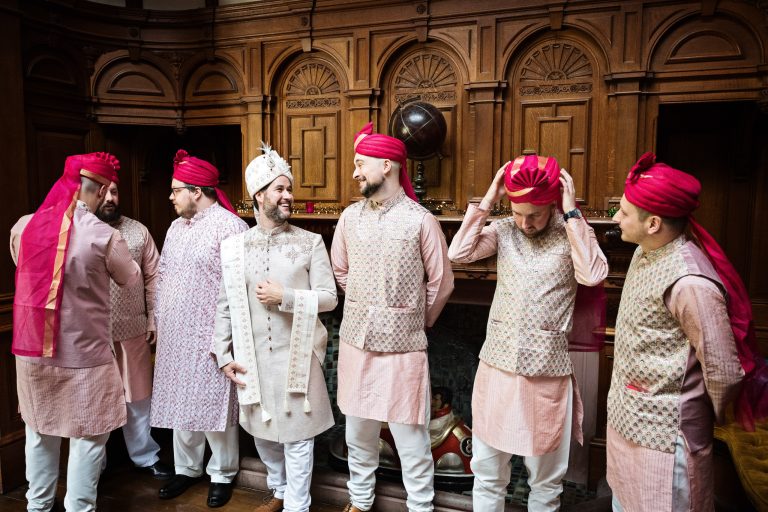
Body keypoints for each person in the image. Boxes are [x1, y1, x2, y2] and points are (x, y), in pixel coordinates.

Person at [448, 154, 608, 512]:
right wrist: (489, 199)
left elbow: (594, 275)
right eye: (518, 212)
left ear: (553, 203)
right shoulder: (504, 230)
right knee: (489, 474)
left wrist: (572, 214)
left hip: (546, 376)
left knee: (545, 482)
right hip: (497, 370)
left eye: (534, 214)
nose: (525, 222)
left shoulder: (572, 233)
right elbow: (458, 253)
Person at [607, 153, 756, 511]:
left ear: (654, 223)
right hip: (628, 425)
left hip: (667, 439)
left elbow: (723, 370)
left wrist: (703, 419)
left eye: (624, 212)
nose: (616, 218)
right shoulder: (646, 252)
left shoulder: (690, 282)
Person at [330, 122, 454, 512]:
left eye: (360, 163)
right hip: (356, 344)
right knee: (358, 434)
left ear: (387, 165)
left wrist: (415, 319)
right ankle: (360, 501)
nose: (355, 172)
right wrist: (369, 307)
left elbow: (442, 282)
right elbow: (341, 271)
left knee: (411, 438)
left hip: (404, 350)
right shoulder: (350, 218)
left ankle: (420, 507)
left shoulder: (420, 220)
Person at [10, 152, 140, 511]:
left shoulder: (24, 226)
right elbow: (130, 278)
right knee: (88, 439)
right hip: (85, 358)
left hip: (33, 355)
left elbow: (18, 261)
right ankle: (79, 508)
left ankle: (37, 507)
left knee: (39, 434)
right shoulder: (103, 235)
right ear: (99, 190)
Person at [213, 144, 337, 512]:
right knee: (263, 435)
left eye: (289, 188)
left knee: (298, 438)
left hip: (296, 356)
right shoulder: (234, 247)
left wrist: (287, 296)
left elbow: (330, 298)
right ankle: (280, 491)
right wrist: (223, 355)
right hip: (252, 359)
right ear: (259, 195)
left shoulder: (310, 242)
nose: (288, 195)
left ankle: (297, 506)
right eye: (280, 189)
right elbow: (223, 305)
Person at [150, 149, 248, 508]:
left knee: (214, 406)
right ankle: (187, 468)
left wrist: (230, 336)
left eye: (176, 190)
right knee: (179, 404)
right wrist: (156, 318)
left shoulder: (232, 227)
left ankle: (222, 473)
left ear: (196, 191)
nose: (171, 196)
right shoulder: (175, 227)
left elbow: (238, 285)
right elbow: (162, 275)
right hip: (175, 333)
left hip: (211, 333)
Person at [96, 181, 173, 480]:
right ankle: (93, 465)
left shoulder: (138, 231)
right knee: (96, 399)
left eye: (116, 191)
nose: (111, 198)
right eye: (105, 192)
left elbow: (155, 277)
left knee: (139, 397)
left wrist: (153, 317)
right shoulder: (80, 232)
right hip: (93, 335)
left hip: (134, 328)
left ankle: (145, 456)